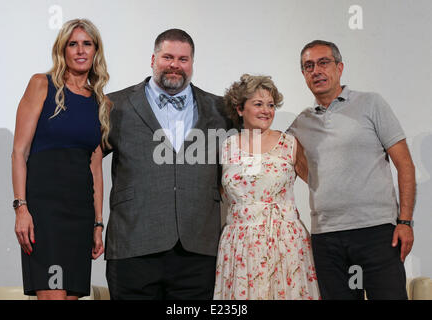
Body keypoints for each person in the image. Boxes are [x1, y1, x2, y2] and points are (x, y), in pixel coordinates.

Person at [104, 29, 232, 300]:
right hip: (133, 245)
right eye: (168, 57)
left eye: (183, 59)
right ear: (153, 59)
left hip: (198, 250)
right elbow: (84, 161)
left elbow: (248, 158)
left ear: (192, 64)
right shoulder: (115, 105)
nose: (175, 65)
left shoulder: (221, 110)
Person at [287, 40, 416, 300]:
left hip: (377, 232)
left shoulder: (371, 104)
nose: (316, 71)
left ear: (340, 67)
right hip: (326, 238)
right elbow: (285, 160)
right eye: (308, 66)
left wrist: (405, 222)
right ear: (303, 74)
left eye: (323, 62)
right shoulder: (301, 123)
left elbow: (405, 165)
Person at [12, 18, 110, 300]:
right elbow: (19, 151)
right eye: (73, 44)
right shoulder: (41, 84)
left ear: (95, 51)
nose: (80, 50)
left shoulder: (99, 102)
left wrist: (97, 224)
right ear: (63, 50)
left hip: (80, 216)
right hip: (45, 215)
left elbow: (95, 167)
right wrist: (21, 208)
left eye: (87, 44)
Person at [214, 74, 320, 300]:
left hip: (285, 242)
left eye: (271, 105)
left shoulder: (289, 144)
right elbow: (220, 192)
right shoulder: (227, 147)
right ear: (240, 109)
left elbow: (319, 184)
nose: (266, 110)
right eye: (258, 104)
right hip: (239, 245)